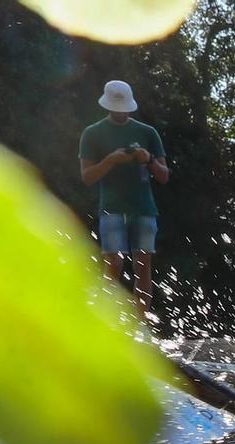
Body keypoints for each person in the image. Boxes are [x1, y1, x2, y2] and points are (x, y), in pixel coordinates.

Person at [78, 80, 170, 318]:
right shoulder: (92, 133)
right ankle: (107, 324)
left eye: (124, 109)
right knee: (114, 264)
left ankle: (140, 326)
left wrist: (148, 159)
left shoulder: (148, 133)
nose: (120, 113)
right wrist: (110, 160)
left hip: (143, 208)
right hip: (111, 208)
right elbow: (87, 177)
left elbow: (164, 176)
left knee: (143, 266)